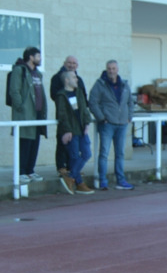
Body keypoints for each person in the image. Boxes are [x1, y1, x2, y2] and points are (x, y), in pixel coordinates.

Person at [89, 60, 134, 191]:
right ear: (106, 69)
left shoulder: (124, 84)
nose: (111, 71)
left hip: (122, 124)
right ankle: (103, 181)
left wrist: (129, 116)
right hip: (107, 124)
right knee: (104, 153)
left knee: (120, 153)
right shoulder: (100, 84)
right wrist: (101, 118)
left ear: (117, 69)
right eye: (109, 68)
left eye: (113, 68)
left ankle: (121, 180)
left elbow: (130, 102)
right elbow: (93, 102)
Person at [8, 47, 47, 184]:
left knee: (34, 143)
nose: (40, 59)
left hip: (37, 114)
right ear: (31, 57)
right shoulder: (20, 70)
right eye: (38, 56)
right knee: (25, 143)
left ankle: (30, 170)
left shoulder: (37, 73)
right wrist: (21, 107)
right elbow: (14, 91)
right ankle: (21, 171)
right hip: (25, 114)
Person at [54, 68, 95, 195]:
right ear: (67, 80)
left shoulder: (79, 92)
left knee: (87, 153)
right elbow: (62, 114)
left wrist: (87, 123)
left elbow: (84, 109)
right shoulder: (61, 95)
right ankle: (79, 184)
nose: (77, 79)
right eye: (74, 77)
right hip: (71, 131)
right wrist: (67, 130)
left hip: (82, 130)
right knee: (74, 157)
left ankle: (70, 176)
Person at [49, 56, 85, 181]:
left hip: (77, 119)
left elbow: (83, 97)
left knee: (75, 146)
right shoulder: (56, 78)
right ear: (64, 63)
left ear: (77, 65)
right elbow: (54, 95)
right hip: (64, 116)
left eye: (74, 63)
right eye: (69, 62)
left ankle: (72, 168)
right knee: (62, 143)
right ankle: (61, 168)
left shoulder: (79, 80)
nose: (72, 65)